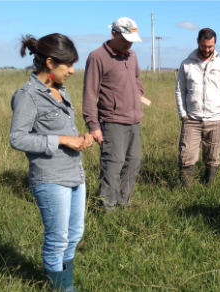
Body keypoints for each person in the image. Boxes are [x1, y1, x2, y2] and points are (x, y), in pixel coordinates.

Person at [10, 33, 93, 291]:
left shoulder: (60, 90)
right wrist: (63, 140)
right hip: (50, 177)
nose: (72, 70)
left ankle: (64, 282)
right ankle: (61, 288)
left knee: (74, 234)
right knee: (58, 239)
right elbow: (18, 138)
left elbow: (60, 131)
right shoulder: (27, 95)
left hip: (74, 174)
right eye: (67, 64)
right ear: (49, 62)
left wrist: (78, 139)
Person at [82, 17, 145, 211]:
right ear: (114, 34)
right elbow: (90, 93)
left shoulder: (132, 55)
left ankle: (124, 204)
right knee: (112, 166)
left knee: (133, 164)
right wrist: (93, 126)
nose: (129, 43)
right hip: (112, 122)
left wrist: (137, 92)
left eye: (132, 39)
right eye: (125, 39)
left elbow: (136, 78)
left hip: (134, 121)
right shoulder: (97, 57)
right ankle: (107, 209)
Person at [175, 28, 220, 187]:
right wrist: (183, 115)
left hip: (217, 119)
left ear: (215, 44)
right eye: (204, 46)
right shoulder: (186, 64)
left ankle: (208, 190)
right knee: (186, 156)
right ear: (198, 42)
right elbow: (180, 90)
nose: (207, 50)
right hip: (192, 119)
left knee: (212, 158)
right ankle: (185, 192)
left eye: (210, 46)